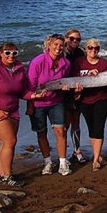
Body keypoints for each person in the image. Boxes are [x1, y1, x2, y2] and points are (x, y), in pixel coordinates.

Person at [0, 43, 44, 186]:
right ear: (0, 53)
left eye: (14, 53)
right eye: (7, 53)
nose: (11, 56)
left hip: (12, 110)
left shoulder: (19, 69)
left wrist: (35, 96)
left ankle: (2, 174)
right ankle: (7, 176)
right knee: (10, 141)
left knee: (6, 143)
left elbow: (22, 92)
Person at [28, 34, 74, 176]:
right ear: (49, 45)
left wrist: (65, 87)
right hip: (38, 103)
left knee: (61, 131)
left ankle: (62, 163)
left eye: (61, 45)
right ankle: (47, 162)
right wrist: (31, 102)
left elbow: (64, 81)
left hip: (56, 101)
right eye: (56, 44)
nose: (58, 48)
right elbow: (30, 85)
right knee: (42, 133)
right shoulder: (38, 62)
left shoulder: (66, 63)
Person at [72, 39, 107, 171]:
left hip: (101, 99)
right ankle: (98, 154)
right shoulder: (79, 62)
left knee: (98, 128)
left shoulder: (104, 64)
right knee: (91, 129)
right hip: (84, 100)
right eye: (90, 48)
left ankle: (95, 160)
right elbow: (74, 78)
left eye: (96, 48)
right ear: (85, 49)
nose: (93, 50)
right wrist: (78, 89)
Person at [64, 29, 87, 164]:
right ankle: (64, 154)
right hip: (63, 91)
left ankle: (76, 151)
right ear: (66, 38)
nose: (75, 41)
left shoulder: (80, 53)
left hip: (77, 89)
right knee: (65, 124)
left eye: (78, 39)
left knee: (76, 121)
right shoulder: (61, 52)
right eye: (72, 39)